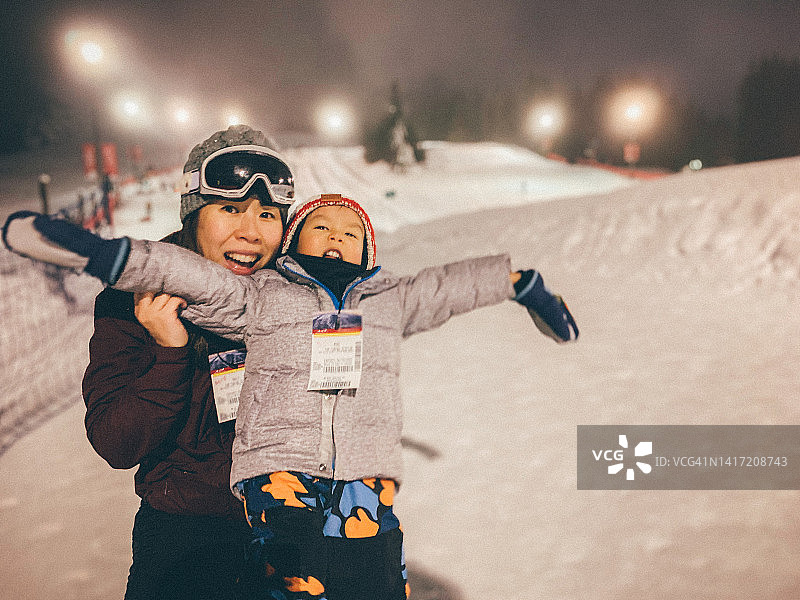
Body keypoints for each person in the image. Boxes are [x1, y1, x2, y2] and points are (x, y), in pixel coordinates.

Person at [3, 193, 578, 599]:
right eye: (320, 226)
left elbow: (445, 286)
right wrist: (104, 255)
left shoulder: (388, 298)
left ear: (369, 251)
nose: (336, 237)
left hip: (362, 467)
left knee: (373, 571)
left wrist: (516, 284)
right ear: (293, 241)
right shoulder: (261, 295)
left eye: (351, 232)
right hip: (278, 469)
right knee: (291, 566)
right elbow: (192, 277)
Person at [41, 125, 295, 599]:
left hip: (285, 538)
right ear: (194, 214)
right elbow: (117, 442)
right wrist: (169, 353)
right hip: (183, 549)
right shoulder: (134, 298)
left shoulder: (291, 298)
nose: (250, 232)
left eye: (267, 214)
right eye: (231, 210)